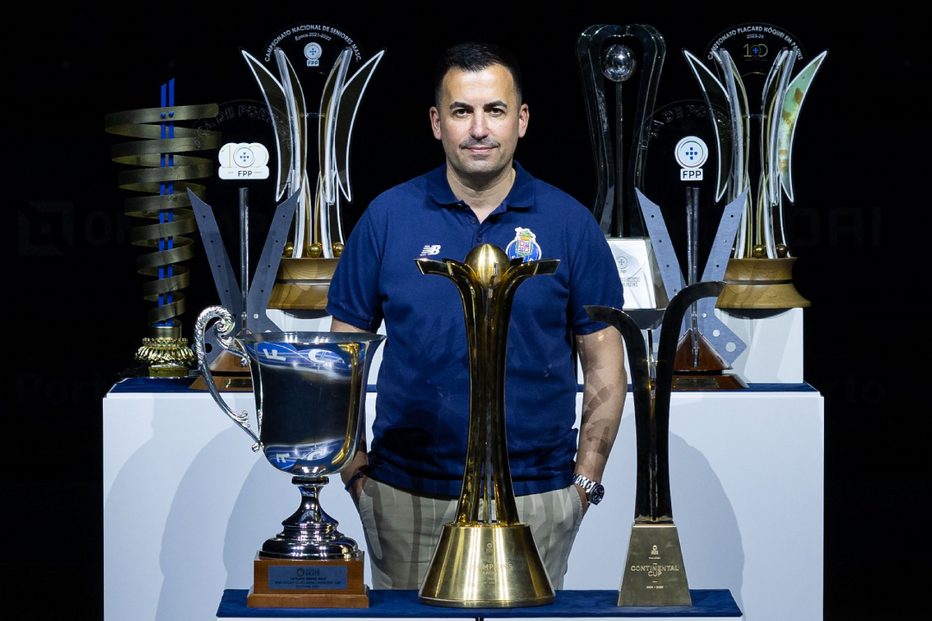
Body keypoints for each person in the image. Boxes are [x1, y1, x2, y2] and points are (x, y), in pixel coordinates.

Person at [326, 42, 626, 590]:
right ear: (438, 123)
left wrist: (584, 483)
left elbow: (604, 361)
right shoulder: (388, 218)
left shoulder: (569, 223)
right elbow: (342, 358)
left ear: (522, 120)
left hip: (536, 498)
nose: (479, 129)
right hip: (407, 499)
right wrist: (357, 477)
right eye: (462, 112)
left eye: (495, 110)